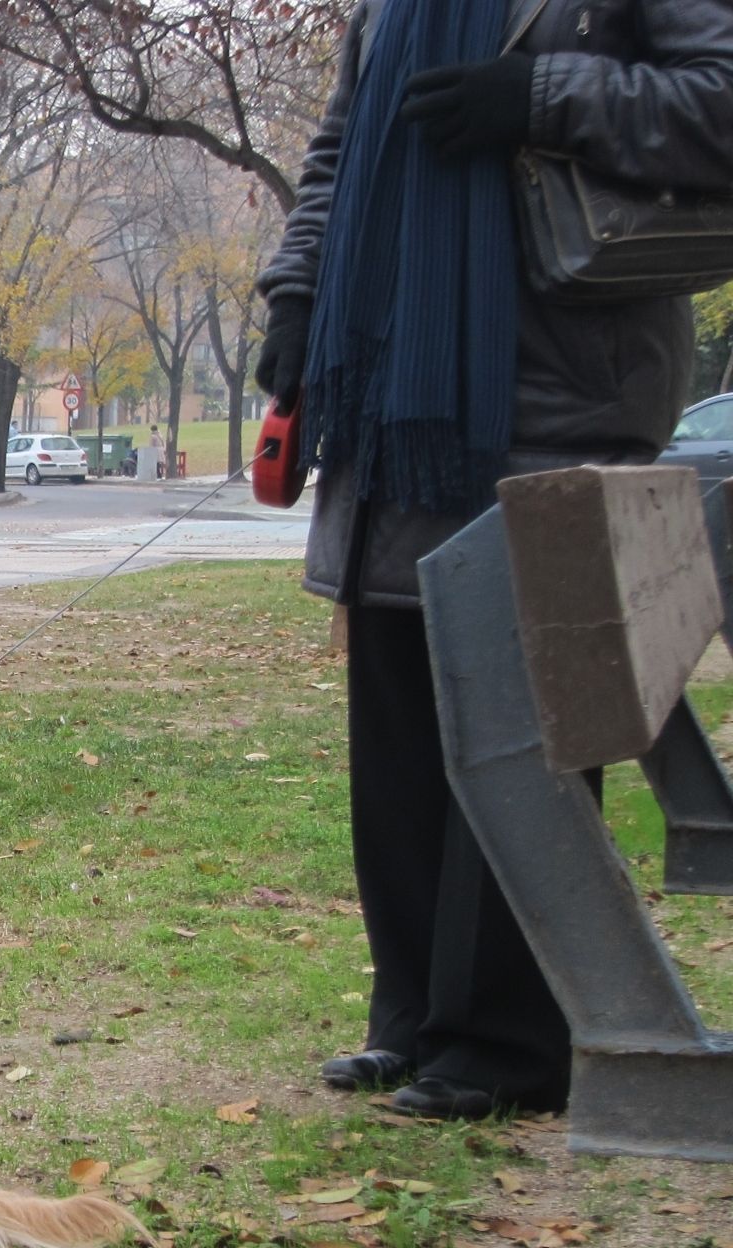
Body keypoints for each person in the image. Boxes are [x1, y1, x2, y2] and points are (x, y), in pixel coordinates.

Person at [253, 0, 733, 1119]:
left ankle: (509, 1037)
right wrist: (294, 302)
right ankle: (413, 1016)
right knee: (399, 710)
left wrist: (541, 97)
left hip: (561, 383)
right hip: (390, 395)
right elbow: (335, 157)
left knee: (526, 719)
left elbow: (718, 102)